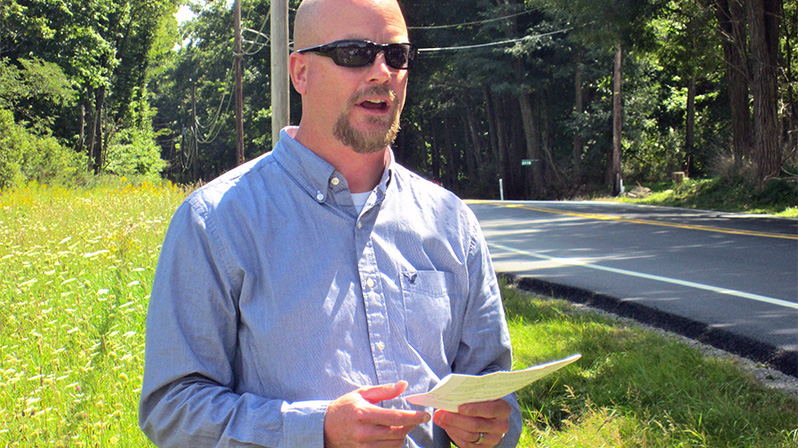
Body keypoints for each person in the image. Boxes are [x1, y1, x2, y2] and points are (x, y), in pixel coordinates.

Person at [138, 0, 522, 446]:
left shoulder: (452, 223)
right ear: (300, 72)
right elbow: (172, 408)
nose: (381, 72)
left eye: (396, 56)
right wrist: (317, 430)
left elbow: (497, 394)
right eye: (355, 53)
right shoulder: (218, 222)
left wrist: (488, 426)